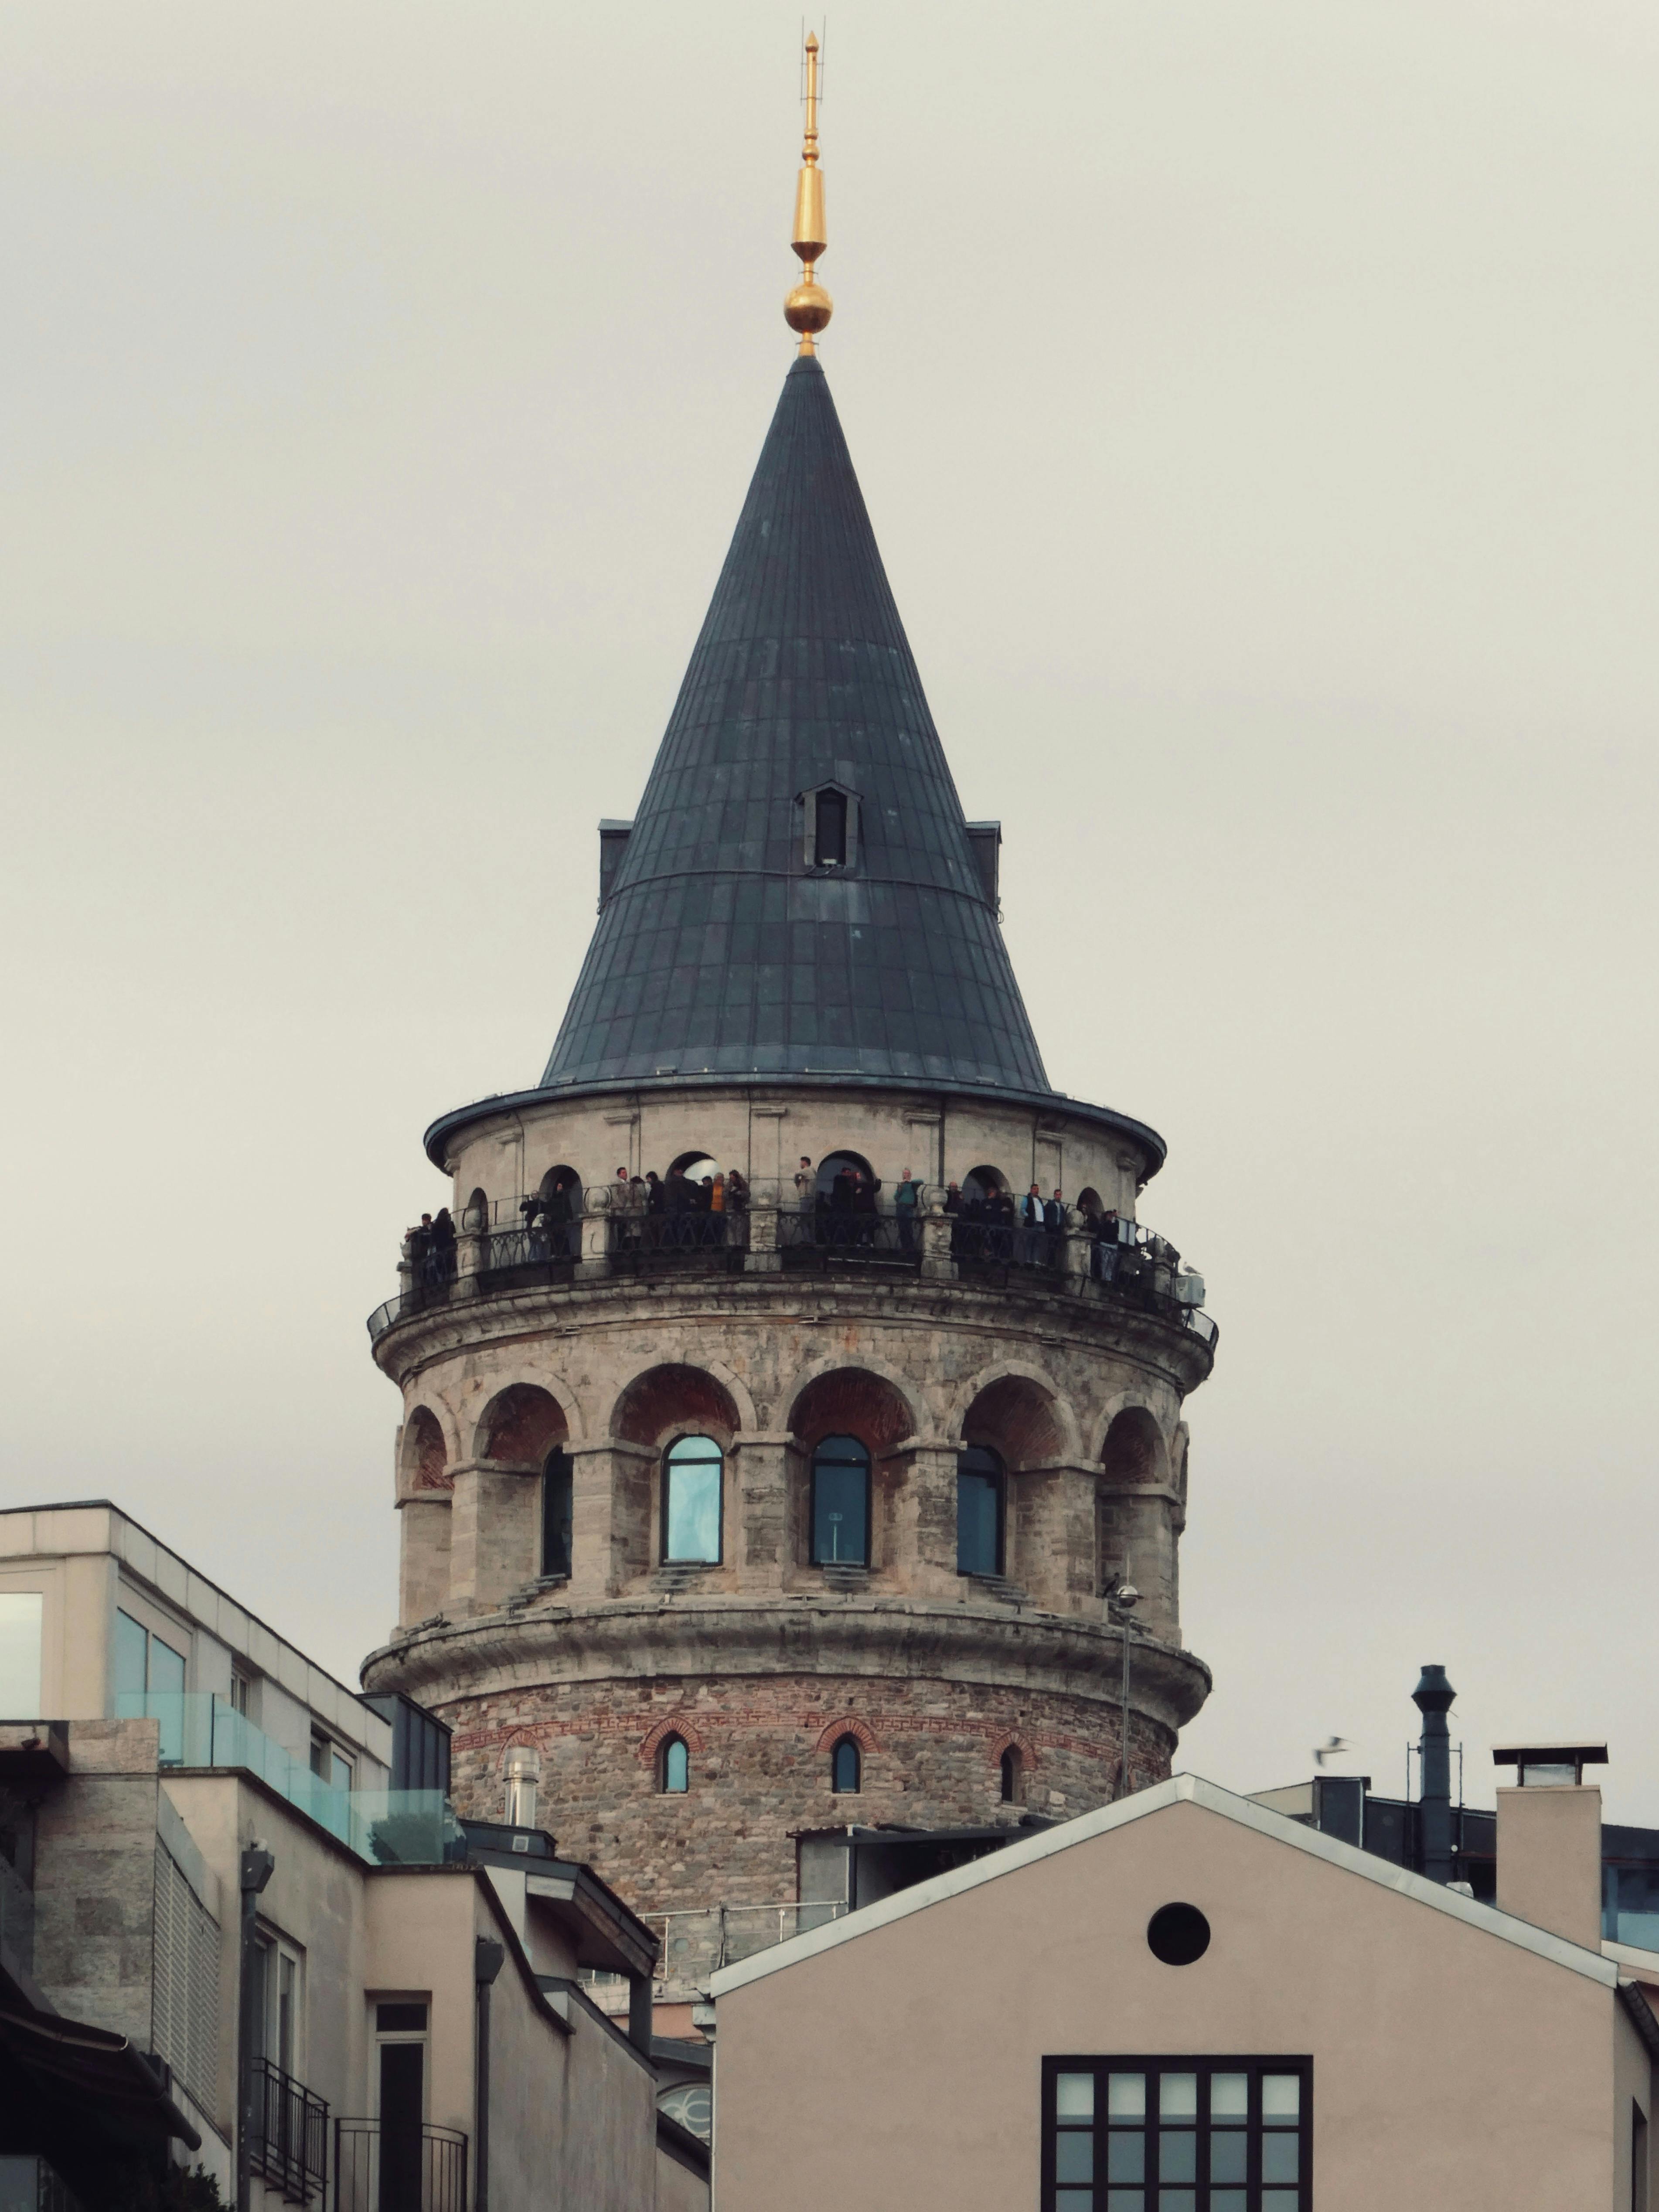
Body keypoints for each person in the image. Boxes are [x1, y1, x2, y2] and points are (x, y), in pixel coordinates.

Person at [893, 1166, 923, 1253]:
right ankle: (904, 1247)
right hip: (901, 1207)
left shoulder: (913, 1184)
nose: (906, 1175)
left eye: (908, 1174)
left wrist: (910, 1181)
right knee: (902, 1228)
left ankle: (910, 1247)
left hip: (909, 1208)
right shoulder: (901, 1185)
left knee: (909, 1228)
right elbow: (896, 1197)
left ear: (910, 1175)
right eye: (905, 1174)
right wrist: (900, 1188)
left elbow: (921, 1181)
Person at [853, 1167, 881, 1246]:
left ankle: (869, 1243)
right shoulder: (857, 1186)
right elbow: (877, 1188)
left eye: (859, 1176)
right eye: (857, 1176)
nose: (859, 1177)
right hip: (862, 1211)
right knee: (861, 1228)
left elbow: (877, 1188)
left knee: (868, 1227)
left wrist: (878, 1181)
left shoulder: (867, 1186)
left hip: (868, 1210)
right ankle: (862, 1243)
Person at [429, 1207, 456, 1283]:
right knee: (450, 1269)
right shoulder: (450, 1224)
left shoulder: (435, 1225)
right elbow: (454, 1236)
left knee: (441, 1271)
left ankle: (442, 1284)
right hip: (450, 1250)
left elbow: (433, 1239)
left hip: (440, 1251)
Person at [1021, 1182, 1044, 1265]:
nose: (1036, 1191)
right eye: (1035, 1189)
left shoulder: (1040, 1200)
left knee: (1037, 1243)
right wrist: (1028, 1216)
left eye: (1037, 1189)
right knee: (1029, 1242)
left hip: (1040, 1224)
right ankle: (1028, 1260)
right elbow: (1023, 1209)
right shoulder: (1027, 1199)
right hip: (1031, 1224)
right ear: (1031, 1190)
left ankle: (1036, 1260)